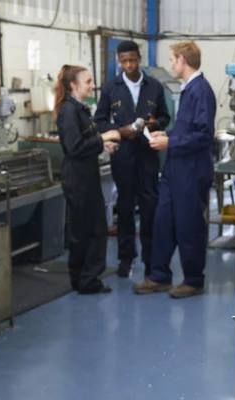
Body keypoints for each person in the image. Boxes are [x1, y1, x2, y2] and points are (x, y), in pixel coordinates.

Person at [133, 41, 216, 298]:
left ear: (182, 60)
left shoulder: (201, 90)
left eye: (171, 59)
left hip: (191, 172)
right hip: (174, 171)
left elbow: (203, 135)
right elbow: (186, 130)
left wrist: (171, 141)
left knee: (189, 225)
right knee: (164, 222)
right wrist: (165, 134)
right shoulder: (188, 89)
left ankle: (193, 280)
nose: (170, 64)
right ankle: (159, 276)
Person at [94, 41, 170, 278]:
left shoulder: (154, 86)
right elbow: (100, 121)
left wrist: (154, 123)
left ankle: (150, 260)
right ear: (119, 61)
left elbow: (165, 117)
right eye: (124, 61)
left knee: (149, 208)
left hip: (148, 156)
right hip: (123, 157)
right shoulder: (110, 88)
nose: (129, 65)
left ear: (139, 59)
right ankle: (126, 258)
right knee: (125, 208)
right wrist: (120, 131)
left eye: (133, 60)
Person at [54, 65, 120, 294]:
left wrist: (102, 145)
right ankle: (87, 280)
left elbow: (84, 142)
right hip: (78, 180)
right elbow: (74, 147)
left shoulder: (80, 109)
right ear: (73, 85)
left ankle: (83, 279)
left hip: (85, 177)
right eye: (88, 81)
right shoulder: (69, 111)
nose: (93, 85)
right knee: (88, 231)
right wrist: (104, 136)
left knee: (88, 229)